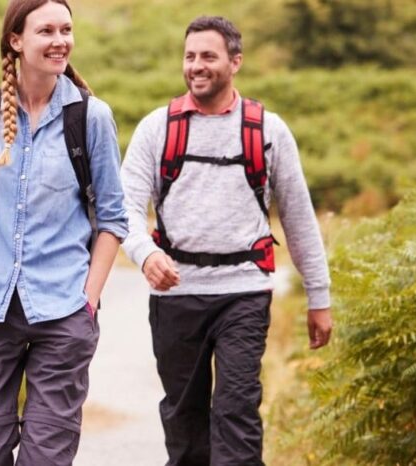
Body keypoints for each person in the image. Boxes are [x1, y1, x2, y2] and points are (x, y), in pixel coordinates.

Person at [119, 16, 334, 466]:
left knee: (236, 411)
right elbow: (125, 208)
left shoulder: (268, 131)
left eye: (208, 57)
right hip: (176, 296)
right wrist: (145, 254)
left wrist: (319, 295)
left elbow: (298, 217)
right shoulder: (157, 128)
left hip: (244, 293)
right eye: (190, 56)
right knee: (184, 421)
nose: (197, 66)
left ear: (235, 62)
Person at [0, 0, 128, 464]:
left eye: (66, 30)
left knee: (47, 457)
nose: (60, 41)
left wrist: (88, 304)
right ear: (16, 41)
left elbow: (113, 220)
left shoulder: (90, 118)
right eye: (46, 31)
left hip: (62, 312)